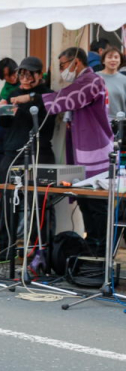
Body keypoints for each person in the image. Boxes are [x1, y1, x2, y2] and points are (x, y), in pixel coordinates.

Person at [44, 47, 114, 252]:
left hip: (96, 152)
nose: (62, 70)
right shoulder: (82, 82)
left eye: (63, 65)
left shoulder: (92, 81)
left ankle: (100, 255)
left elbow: (70, 98)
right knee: (85, 204)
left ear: (76, 62)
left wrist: (35, 99)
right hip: (84, 154)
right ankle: (91, 252)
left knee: (97, 206)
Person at [0, 58, 55, 262]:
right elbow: (3, 123)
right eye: (22, 74)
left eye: (30, 74)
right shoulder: (12, 93)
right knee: (8, 202)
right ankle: (6, 249)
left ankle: (39, 251)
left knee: (39, 204)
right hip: (12, 152)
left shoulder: (46, 95)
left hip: (39, 153)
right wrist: (3, 108)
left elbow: (45, 113)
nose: (25, 78)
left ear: (39, 75)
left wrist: (24, 103)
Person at [98, 46, 126, 120]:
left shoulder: (124, 80)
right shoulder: (95, 78)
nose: (113, 60)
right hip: (99, 121)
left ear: (120, 61)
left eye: (116, 57)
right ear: (103, 61)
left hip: (119, 122)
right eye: (109, 57)